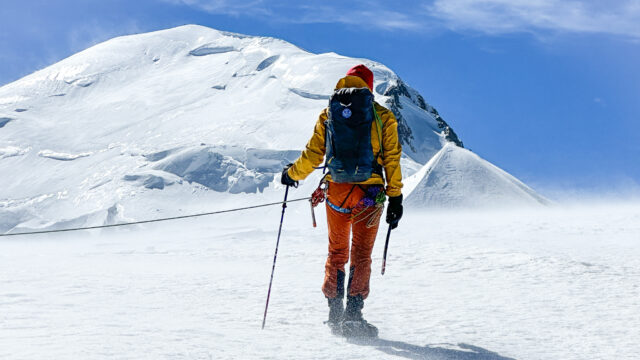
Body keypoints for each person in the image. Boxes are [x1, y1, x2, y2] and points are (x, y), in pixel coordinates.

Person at [281, 64, 403, 337]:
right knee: (361, 253)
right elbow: (392, 159)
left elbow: (314, 154)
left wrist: (292, 174)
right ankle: (353, 317)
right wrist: (395, 197)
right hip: (368, 196)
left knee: (336, 252)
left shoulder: (329, 113)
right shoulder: (383, 116)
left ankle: (334, 314)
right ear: (369, 87)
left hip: (336, 192)